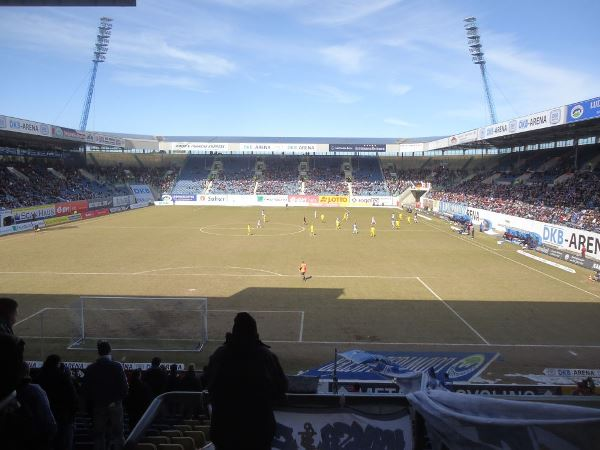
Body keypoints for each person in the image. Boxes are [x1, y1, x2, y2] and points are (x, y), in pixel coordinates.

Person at [204, 313, 288, 450]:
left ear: (234, 331)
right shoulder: (266, 356)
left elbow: (207, 382)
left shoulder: (220, 355)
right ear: (255, 333)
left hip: (225, 430)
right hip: (258, 431)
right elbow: (281, 389)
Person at [81, 340, 128, 450]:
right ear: (110, 351)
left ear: (98, 352)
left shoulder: (91, 368)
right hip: (115, 405)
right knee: (118, 435)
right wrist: (115, 401)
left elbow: (85, 390)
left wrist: (96, 402)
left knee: (99, 436)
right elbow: (124, 388)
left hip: (98, 406)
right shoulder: (117, 366)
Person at [37, 355, 78, 450]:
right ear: (58, 364)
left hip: (45, 417)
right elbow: (73, 399)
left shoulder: (39, 377)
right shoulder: (64, 377)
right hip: (63, 418)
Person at [17, 363, 57, 450]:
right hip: (49, 429)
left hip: (40, 432)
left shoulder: (24, 391)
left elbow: (27, 416)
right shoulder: (37, 388)